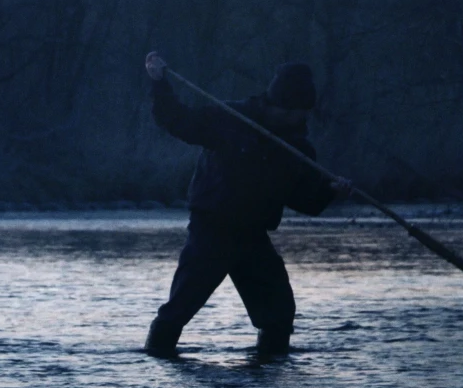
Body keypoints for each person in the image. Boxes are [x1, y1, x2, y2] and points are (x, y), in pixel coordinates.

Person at [142, 51, 352, 358]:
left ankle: (268, 367)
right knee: (179, 309)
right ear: (281, 104)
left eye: (305, 112)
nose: (302, 118)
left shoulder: (299, 148)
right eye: (297, 111)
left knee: (279, 315)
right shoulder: (230, 119)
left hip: (253, 237)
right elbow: (176, 121)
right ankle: (157, 358)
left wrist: (331, 191)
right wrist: (159, 83)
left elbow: (306, 201)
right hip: (211, 231)